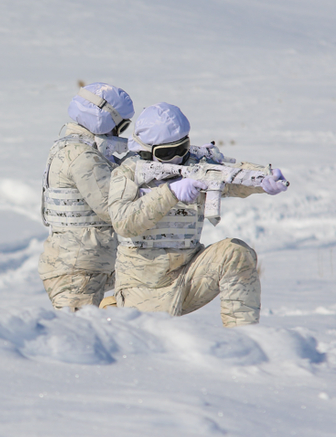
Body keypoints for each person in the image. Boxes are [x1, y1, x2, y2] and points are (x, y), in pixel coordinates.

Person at [105, 102, 288, 326]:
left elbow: (230, 177)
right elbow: (124, 223)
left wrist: (262, 179)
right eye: (167, 153)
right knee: (158, 340)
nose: (177, 158)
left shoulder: (196, 166)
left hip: (191, 274)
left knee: (236, 253)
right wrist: (170, 193)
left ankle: (243, 337)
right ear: (145, 150)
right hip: (145, 284)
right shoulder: (127, 174)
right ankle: (112, 310)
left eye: (182, 148)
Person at [38, 83, 135, 310]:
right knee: (73, 329)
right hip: (77, 269)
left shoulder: (75, 148)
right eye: (122, 125)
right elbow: (113, 210)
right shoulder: (84, 156)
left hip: (81, 263)